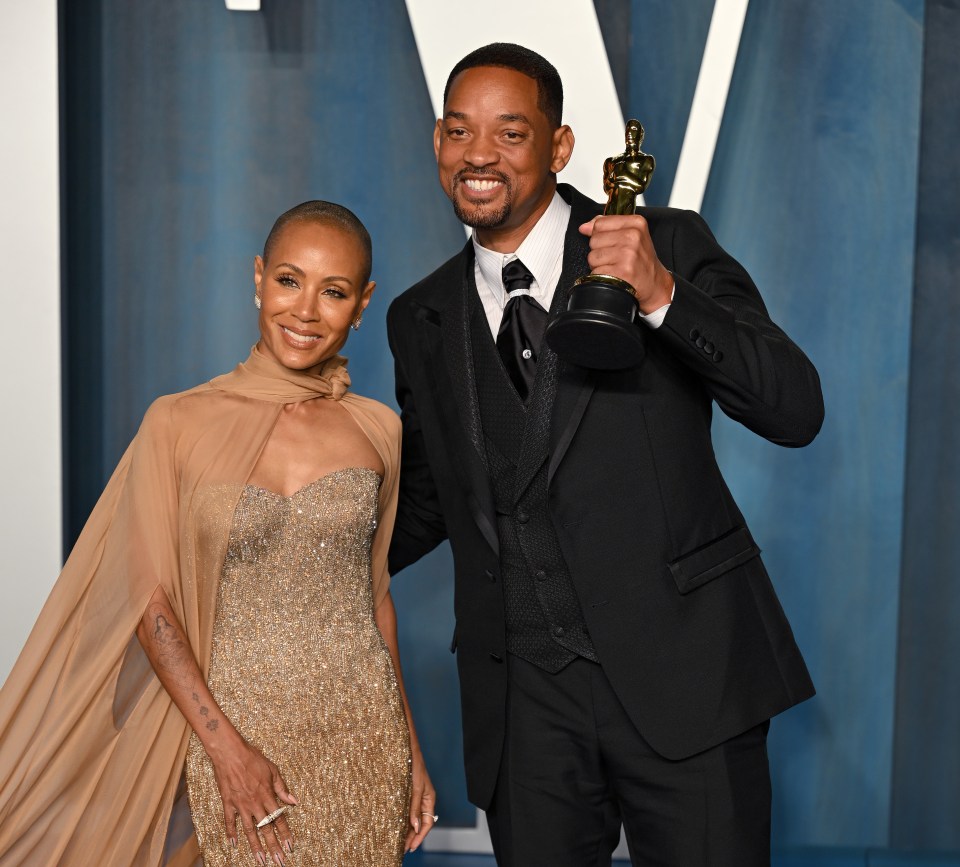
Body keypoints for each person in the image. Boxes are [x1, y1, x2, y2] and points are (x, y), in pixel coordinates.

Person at [386, 43, 824, 867]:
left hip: (689, 679)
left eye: (509, 133)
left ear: (559, 148)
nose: (478, 155)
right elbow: (433, 499)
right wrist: (309, 557)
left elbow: (795, 407)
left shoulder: (665, 243)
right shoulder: (420, 316)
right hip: (525, 709)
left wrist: (662, 294)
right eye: (458, 130)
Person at [0, 201, 436, 866]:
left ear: (363, 302)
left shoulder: (380, 428)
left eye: (335, 291)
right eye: (290, 280)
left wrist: (413, 750)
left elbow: (374, 600)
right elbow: (151, 607)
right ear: (258, 278)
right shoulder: (177, 422)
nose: (306, 310)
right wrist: (228, 750)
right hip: (233, 736)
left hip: (362, 739)